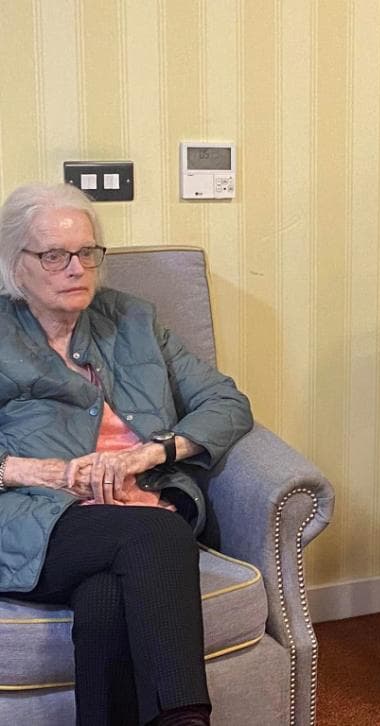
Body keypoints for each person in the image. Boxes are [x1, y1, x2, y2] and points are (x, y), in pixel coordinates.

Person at [0, 183, 254, 726]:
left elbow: (227, 403)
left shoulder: (133, 319)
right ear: (16, 264)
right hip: (33, 520)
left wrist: (152, 454)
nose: (77, 268)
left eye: (87, 252)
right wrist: (37, 471)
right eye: (54, 255)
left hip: (134, 513)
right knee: (156, 534)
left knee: (106, 600)